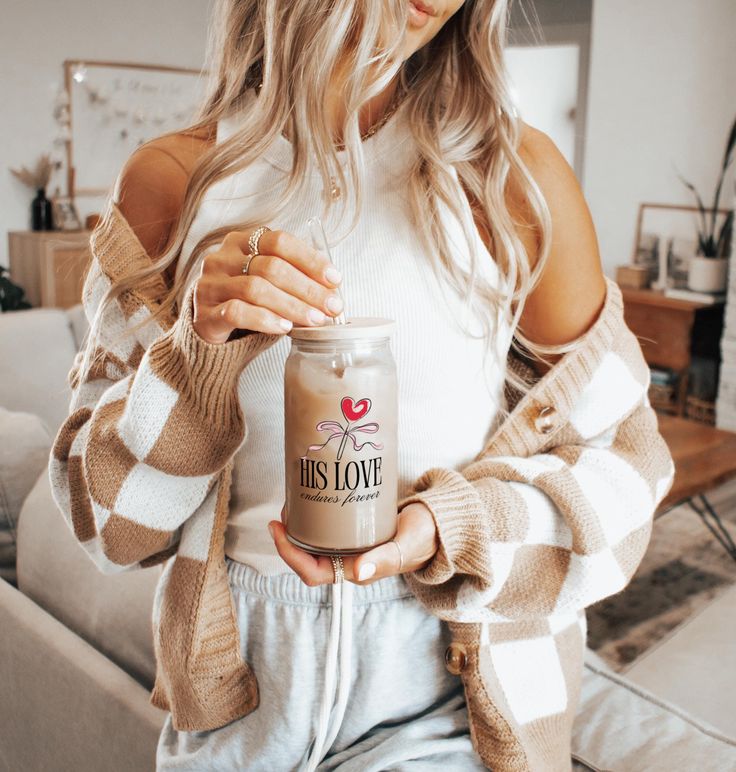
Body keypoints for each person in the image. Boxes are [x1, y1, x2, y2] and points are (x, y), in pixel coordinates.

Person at [48, 1, 675, 770]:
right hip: (239, 703)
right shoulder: (174, 182)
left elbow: (628, 471)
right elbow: (109, 530)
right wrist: (196, 354)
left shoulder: (510, 178)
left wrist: (454, 528)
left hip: (451, 693)